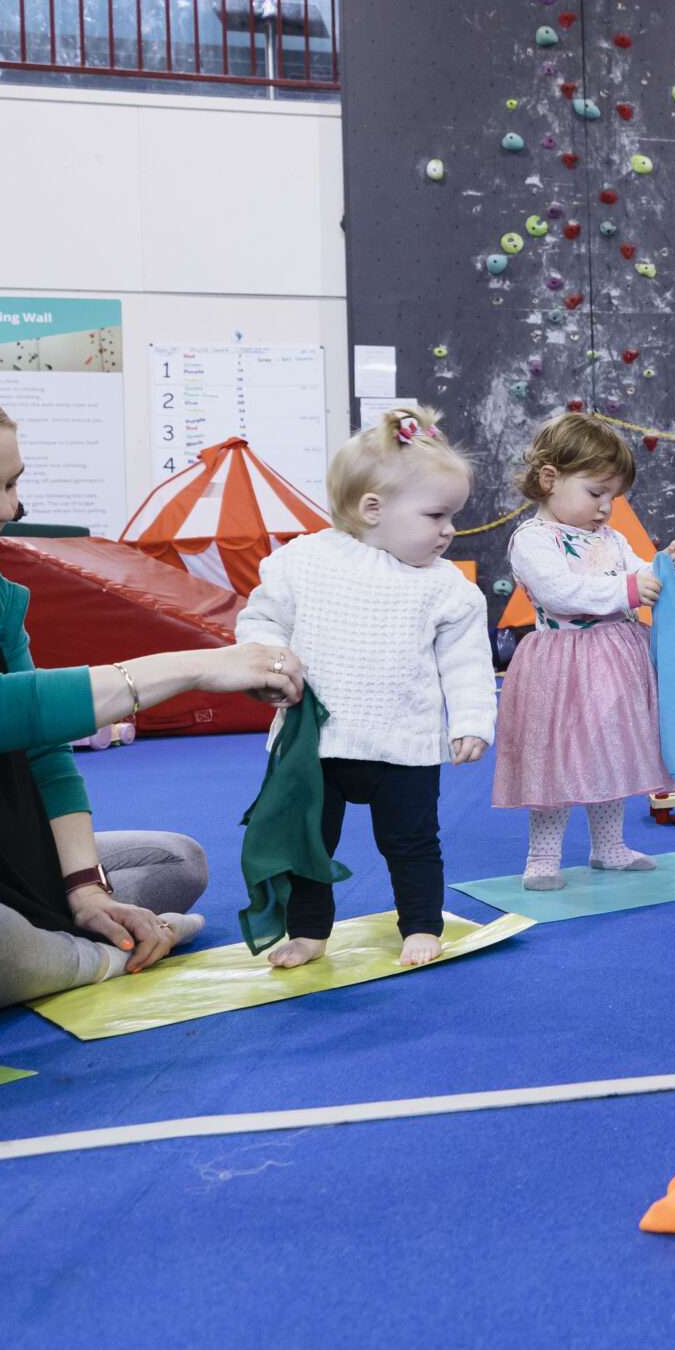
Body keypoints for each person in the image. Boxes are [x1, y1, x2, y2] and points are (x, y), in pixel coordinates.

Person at [0, 361, 298, 1030]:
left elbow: (40, 748)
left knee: (175, 860)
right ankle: (84, 960)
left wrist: (85, 887)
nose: (8, 510)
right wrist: (191, 666)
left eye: (13, 484)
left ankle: (45, 941)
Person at [237, 406, 496, 967]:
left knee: (412, 842)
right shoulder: (302, 561)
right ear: (372, 509)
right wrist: (269, 665)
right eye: (436, 515)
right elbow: (261, 622)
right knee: (307, 841)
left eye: (452, 515)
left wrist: (473, 719)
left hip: (404, 743)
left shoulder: (446, 589)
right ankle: (307, 931)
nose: (449, 529)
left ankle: (421, 925)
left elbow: (468, 662)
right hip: (314, 744)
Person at [492, 411, 675, 890]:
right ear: (549, 479)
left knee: (612, 751)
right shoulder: (532, 540)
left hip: (615, 661)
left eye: (614, 497)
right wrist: (629, 589)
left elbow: (643, 576)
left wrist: (667, 572)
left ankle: (609, 847)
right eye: (595, 493)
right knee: (554, 759)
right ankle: (543, 857)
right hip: (559, 665)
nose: (606, 508)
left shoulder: (612, 537)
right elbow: (560, 592)